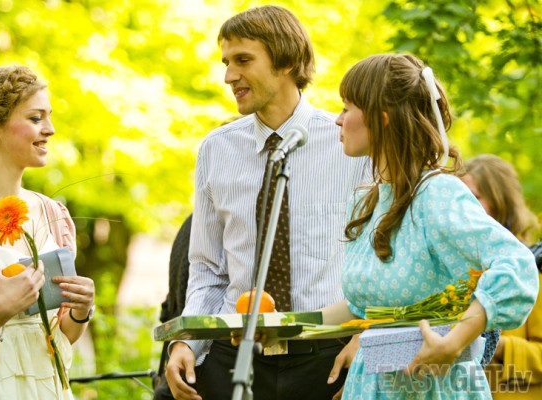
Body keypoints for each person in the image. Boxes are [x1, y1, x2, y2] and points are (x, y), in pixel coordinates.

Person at [164, 5, 370, 400]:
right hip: (234, 357)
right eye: (226, 62)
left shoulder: (350, 143)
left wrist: (367, 338)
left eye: (243, 60)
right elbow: (208, 271)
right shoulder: (215, 149)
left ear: (287, 61)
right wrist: (187, 342)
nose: (229, 75)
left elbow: (380, 256)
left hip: (329, 358)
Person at [320, 53, 538, 399]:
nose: (338, 119)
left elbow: (517, 265)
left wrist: (454, 342)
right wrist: (275, 325)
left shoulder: (437, 195)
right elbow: (362, 309)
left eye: (347, 108)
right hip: (371, 386)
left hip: (432, 387)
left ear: (381, 118)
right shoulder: (367, 201)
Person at [0, 66, 95, 399]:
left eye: (49, 117)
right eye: (36, 118)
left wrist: (82, 310)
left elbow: (64, 335)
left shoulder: (53, 214)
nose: (50, 129)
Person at [460, 154, 542, 399]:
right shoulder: (455, 270)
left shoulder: (533, 269)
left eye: (473, 197)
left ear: (500, 201)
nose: (462, 207)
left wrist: (489, 342)